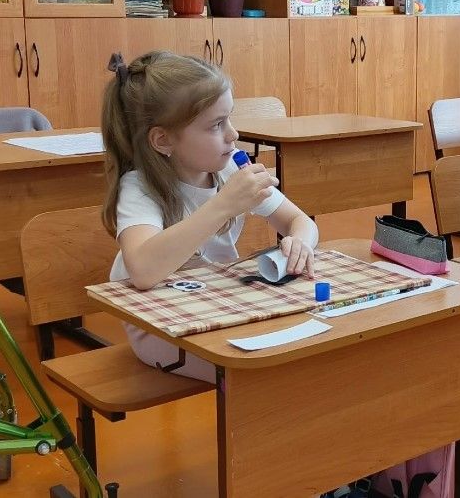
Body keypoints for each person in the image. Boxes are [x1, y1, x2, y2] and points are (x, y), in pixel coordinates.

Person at [101, 51, 319, 382]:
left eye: (229, 119)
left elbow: (300, 221)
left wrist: (300, 242)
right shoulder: (140, 187)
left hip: (215, 303)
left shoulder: (230, 166)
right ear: (163, 140)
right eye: (216, 125)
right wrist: (224, 205)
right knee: (271, 371)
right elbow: (143, 271)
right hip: (158, 325)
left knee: (313, 343)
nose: (233, 134)